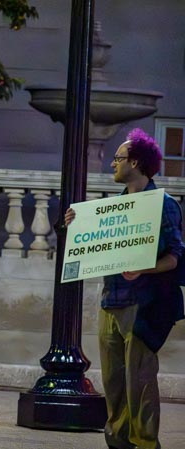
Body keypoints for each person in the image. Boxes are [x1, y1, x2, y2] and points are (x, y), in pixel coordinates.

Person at [65, 128, 184, 449]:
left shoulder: (163, 204)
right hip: (111, 301)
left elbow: (176, 255)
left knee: (139, 382)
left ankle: (144, 443)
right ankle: (118, 441)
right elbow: (95, 247)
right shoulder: (111, 209)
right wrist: (77, 225)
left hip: (144, 304)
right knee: (114, 382)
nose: (112, 165)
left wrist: (145, 267)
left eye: (117, 159)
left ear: (135, 162)